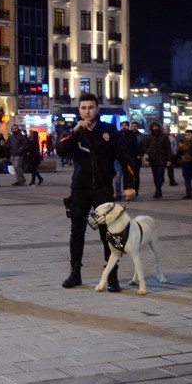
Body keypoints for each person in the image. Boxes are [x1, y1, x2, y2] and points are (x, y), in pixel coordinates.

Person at [56, 92, 136, 292]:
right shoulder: (73, 132)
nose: (87, 111)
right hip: (80, 190)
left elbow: (127, 158)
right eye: (83, 108)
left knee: (108, 234)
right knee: (77, 233)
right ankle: (75, 273)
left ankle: (111, 276)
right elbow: (60, 149)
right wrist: (75, 131)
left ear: (97, 109)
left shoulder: (109, 131)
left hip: (102, 190)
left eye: (90, 107)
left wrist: (130, 185)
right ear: (79, 110)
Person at [143, 121, 172, 199]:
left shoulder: (164, 136)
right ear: (151, 128)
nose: (155, 128)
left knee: (160, 176)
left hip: (162, 159)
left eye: (156, 126)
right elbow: (145, 147)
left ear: (159, 127)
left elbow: (168, 148)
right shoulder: (149, 137)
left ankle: (158, 191)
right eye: (153, 126)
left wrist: (169, 159)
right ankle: (158, 190)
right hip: (153, 159)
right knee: (155, 176)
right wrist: (149, 151)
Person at [113, 121, 137, 200]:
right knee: (118, 175)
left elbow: (135, 147)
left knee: (128, 176)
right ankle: (118, 194)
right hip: (118, 159)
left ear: (128, 126)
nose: (124, 127)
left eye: (125, 125)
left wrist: (134, 156)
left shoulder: (132, 135)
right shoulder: (117, 135)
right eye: (122, 125)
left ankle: (128, 194)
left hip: (128, 159)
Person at [174, 129, 192, 199]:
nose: (187, 136)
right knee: (187, 180)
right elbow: (177, 153)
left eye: (189, 135)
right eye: (186, 135)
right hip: (186, 164)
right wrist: (179, 147)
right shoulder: (183, 143)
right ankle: (188, 194)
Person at [130, 121, 143, 193]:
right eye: (132, 126)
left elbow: (143, 147)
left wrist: (140, 155)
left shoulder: (141, 136)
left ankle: (136, 190)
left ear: (137, 127)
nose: (134, 127)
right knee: (129, 175)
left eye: (135, 126)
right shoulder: (128, 134)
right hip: (129, 158)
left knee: (136, 175)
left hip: (137, 158)